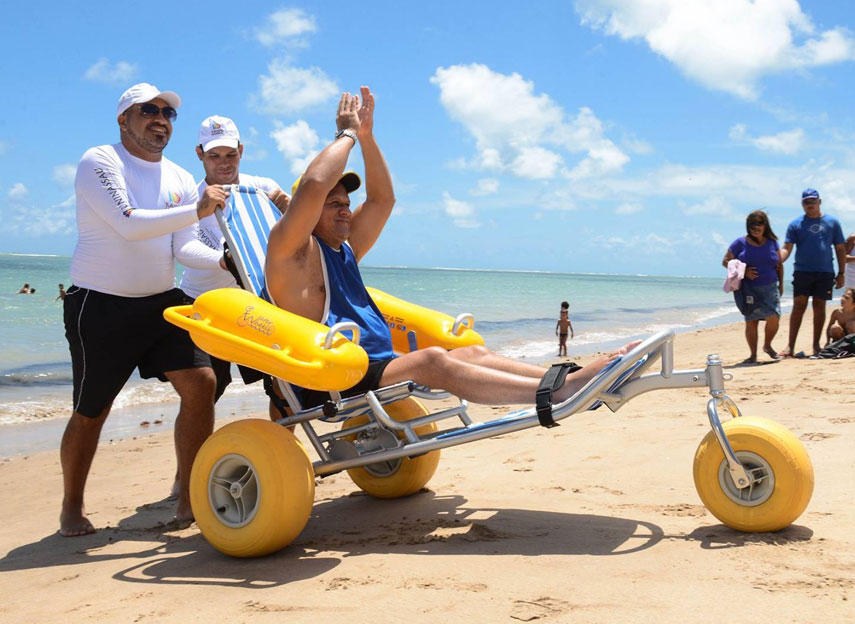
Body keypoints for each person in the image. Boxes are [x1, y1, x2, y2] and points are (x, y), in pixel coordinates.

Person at [265, 87, 637, 411]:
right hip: (335, 379)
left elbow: (382, 199)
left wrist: (366, 136)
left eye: (347, 202)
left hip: (375, 365)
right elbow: (315, 182)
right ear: (308, 211)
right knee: (432, 360)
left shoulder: (344, 249)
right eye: (334, 204)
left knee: (471, 353)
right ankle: (559, 393)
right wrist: (344, 133)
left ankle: (567, 377)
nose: (346, 210)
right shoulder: (292, 254)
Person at [60, 83, 228, 537]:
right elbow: (128, 223)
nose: (160, 118)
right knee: (92, 410)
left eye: (168, 113)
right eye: (148, 110)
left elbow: (186, 245)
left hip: (160, 302)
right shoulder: (100, 161)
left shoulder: (176, 175)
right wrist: (197, 208)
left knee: (203, 382)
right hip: (99, 303)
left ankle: (190, 497)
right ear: (123, 120)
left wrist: (223, 260)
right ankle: (71, 507)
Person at [175, 115, 289, 404]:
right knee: (208, 388)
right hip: (203, 302)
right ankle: (199, 450)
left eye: (230, 154)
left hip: (253, 301)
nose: (223, 163)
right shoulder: (190, 196)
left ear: (241, 151)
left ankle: (280, 446)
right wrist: (223, 261)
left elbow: (292, 236)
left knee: (282, 387)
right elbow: (183, 250)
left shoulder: (262, 188)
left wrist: (291, 209)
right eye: (214, 156)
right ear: (199, 153)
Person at [779, 189, 847, 357]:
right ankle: (790, 346)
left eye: (813, 201)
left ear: (819, 202)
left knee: (819, 306)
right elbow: (787, 248)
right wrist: (777, 259)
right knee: (799, 306)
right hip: (802, 271)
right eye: (806, 202)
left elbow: (840, 248)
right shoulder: (796, 224)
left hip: (825, 272)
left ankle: (816, 345)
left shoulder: (832, 222)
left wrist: (841, 273)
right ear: (802, 204)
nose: (810, 205)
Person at [721, 210, 783, 363]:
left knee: (774, 317)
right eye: (753, 224)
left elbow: (779, 264)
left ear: (765, 225)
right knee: (751, 321)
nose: (756, 227)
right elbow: (725, 261)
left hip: (770, 286)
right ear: (748, 226)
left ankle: (767, 346)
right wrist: (744, 271)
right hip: (749, 288)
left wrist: (781, 284)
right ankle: (753, 355)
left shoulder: (772, 242)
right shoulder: (740, 243)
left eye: (760, 224)